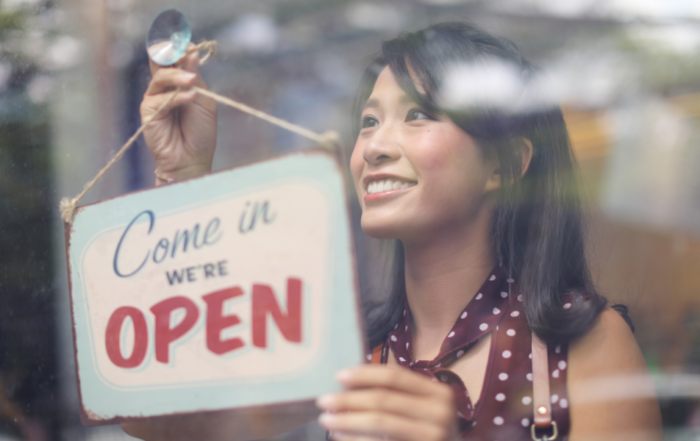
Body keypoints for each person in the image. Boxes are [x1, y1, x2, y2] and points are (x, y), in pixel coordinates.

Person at [123, 22, 662, 441]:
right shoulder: (342, 348)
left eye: (420, 114)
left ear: (504, 165)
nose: (375, 147)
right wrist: (183, 174)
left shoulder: (584, 342)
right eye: (369, 121)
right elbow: (165, 420)